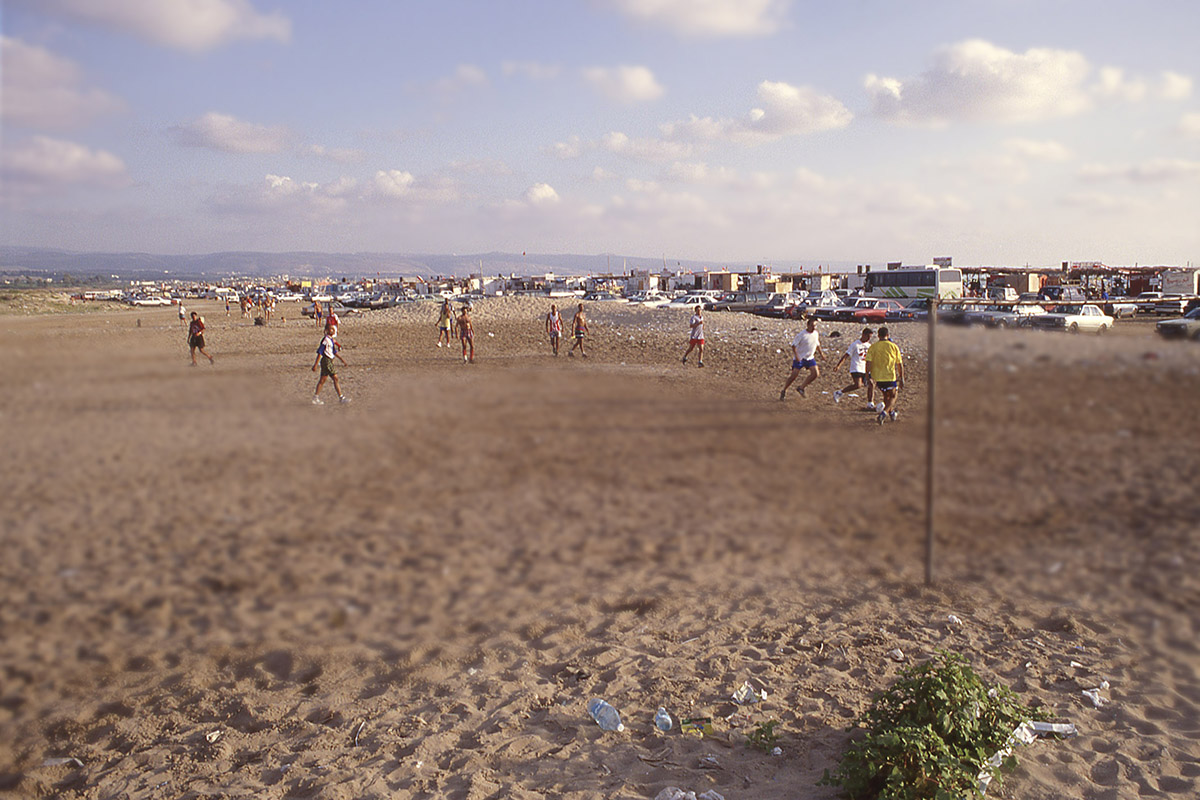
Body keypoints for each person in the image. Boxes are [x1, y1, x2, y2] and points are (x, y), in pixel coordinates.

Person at [865, 325, 904, 424]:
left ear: (878, 336)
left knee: (886, 396)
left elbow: (868, 362)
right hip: (889, 375)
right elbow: (899, 364)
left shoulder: (873, 347)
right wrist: (901, 377)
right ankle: (884, 413)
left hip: (877, 377)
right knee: (893, 396)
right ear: (888, 335)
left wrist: (867, 375)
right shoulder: (893, 346)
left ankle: (892, 414)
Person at [779, 316, 822, 399]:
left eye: (815, 326)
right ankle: (784, 390)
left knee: (815, 373)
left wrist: (821, 354)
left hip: (809, 358)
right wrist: (797, 356)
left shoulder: (816, 333)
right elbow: (794, 346)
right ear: (808, 325)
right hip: (800, 358)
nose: (814, 328)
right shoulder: (801, 335)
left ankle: (801, 388)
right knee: (794, 376)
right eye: (812, 325)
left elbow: (817, 344)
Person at [832, 327, 875, 407]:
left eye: (870, 337)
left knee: (871, 384)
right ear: (863, 335)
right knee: (858, 385)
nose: (869, 339)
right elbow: (846, 355)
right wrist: (838, 366)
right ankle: (839, 392)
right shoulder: (855, 344)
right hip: (856, 367)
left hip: (865, 368)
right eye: (868, 337)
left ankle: (870, 403)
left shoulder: (869, 346)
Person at [312, 322, 349, 404]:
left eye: (333, 329)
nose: (332, 330)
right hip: (326, 361)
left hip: (329, 360)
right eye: (331, 329)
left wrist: (341, 359)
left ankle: (316, 397)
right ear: (326, 330)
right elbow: (320, 352)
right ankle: (341, 397)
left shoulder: (331, 340)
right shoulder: (325, 340)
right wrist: (315, 365)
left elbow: (334, 352)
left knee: (322, 380)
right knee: (335, 378)